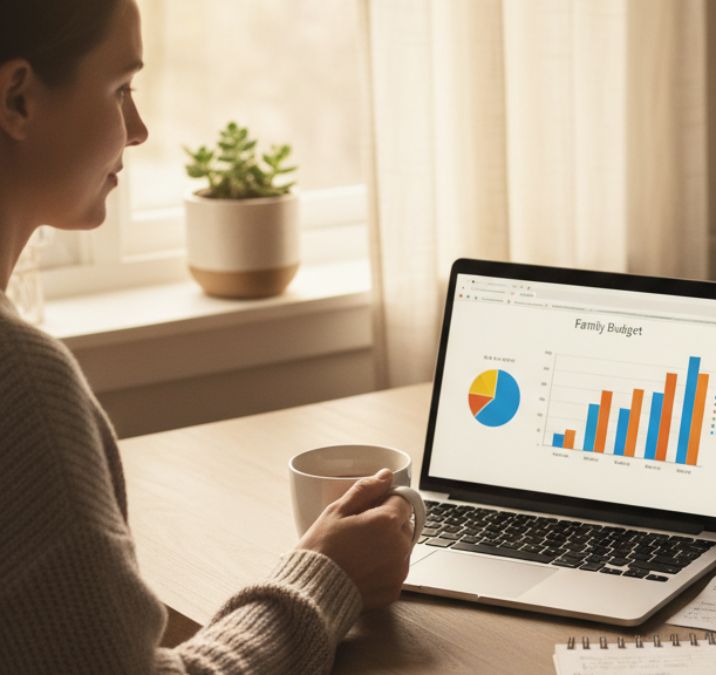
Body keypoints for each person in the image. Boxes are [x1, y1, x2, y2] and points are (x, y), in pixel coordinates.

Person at [0, 1, 417, 672]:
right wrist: (325, 573)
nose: (137, 130)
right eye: (121, 89)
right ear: (17, 97)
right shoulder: (18, 378)